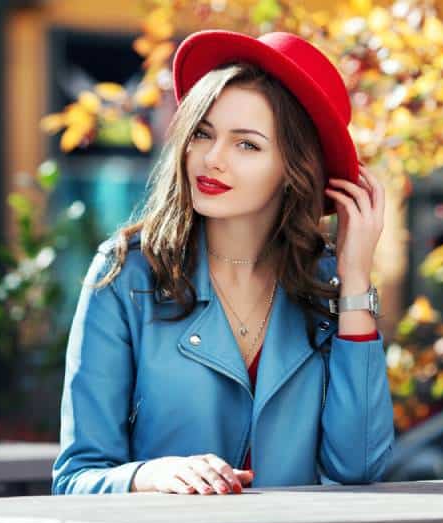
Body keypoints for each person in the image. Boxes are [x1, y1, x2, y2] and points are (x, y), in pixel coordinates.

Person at [52, 29, 394, 496]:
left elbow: (360, 465)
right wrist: (148, 475)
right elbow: (76, 477)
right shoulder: (123, 275)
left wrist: (355, 280)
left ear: (295, 169)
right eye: (202, 134)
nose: (211, 159)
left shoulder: (329, 285)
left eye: (246, 145)